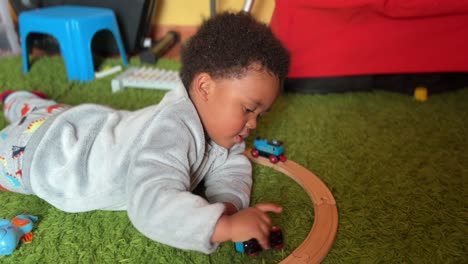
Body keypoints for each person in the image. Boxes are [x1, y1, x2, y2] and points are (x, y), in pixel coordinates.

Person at [0, 12, 290, 253]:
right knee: (24, 140)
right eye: (249, 109)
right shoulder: (172, 131)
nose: (253, 123)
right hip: (42, 154)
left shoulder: (223, 130)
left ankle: (17, 100)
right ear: (204, 88)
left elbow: (232, 167)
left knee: (49, 112)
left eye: (260, 114)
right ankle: (20, 105)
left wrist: (228, 205)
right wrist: (222, 227)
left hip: (82, 122)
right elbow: (149, 204)